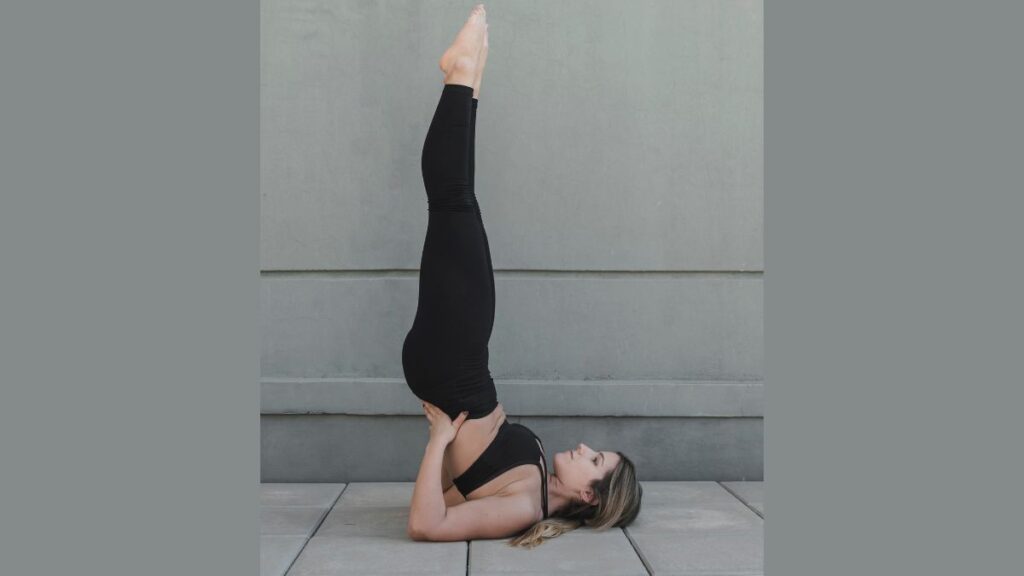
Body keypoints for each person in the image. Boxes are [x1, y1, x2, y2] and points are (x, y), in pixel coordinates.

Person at [403, 4, 641, 547]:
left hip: (452, 365)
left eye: (595, 460)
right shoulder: (534, 478)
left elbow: (426, 523)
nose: (585, 449)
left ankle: (463, 72)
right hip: (462, 360)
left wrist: (439, 440)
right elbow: (456, 493)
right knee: (459, 201)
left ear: (590, 496)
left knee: (452, 201)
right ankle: (468, 77)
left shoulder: (521, 507)